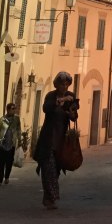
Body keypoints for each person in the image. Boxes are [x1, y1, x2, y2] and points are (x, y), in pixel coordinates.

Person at [33, 71, 79, 209]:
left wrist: (71, 112)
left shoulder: (71, 96)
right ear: (56, 84)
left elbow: (74, 116)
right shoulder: (51, 96)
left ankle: (49, 196)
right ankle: (50, 197)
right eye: (61, 83)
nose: (64, 86)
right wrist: (61, 101)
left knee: (56, 169)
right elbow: (46, 109)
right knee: (48, 168)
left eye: (66, 84)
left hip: (61, 140)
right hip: (48, 138)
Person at [0, 102, 21, 185]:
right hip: (1, 144)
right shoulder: (2, 120)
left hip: (11, 144)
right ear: (8, 110)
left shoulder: (17, 119)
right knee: (0, 162)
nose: (14, 110)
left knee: (9, 162)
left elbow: (18, 129)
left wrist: (19, 140)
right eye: (13, 109)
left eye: (15, 108)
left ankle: (6, 177)